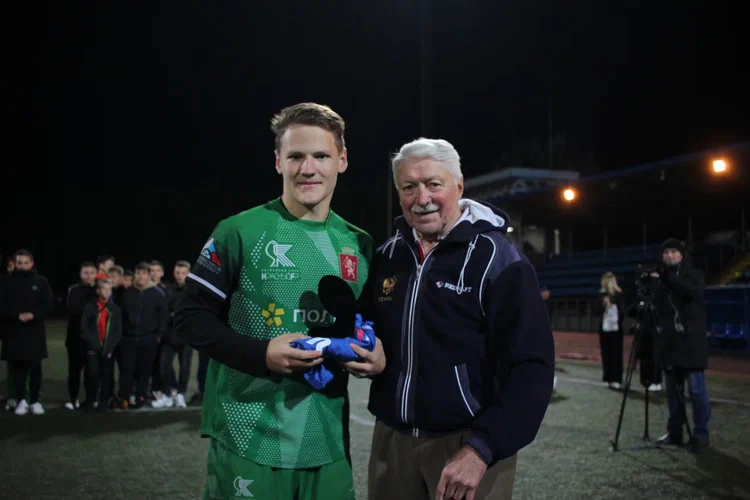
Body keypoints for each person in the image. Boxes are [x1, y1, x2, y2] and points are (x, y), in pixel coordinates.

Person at [174, 102, 376, 500]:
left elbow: (365, 326)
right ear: (278, 162)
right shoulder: (238, 231)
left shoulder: (359, 244)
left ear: (342, 160)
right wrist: (261, 353)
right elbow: (189, 318)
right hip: (248, 435)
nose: (308, 168)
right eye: (296, 156)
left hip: (327, 440)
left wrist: (374, 353)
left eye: (321, 156)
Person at [359, 138, 555, 500]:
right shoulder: (388, 256)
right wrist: (364, 350)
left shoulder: (500, 259)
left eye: (433, 184)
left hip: (466, 446)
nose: (422, 198)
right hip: (391, 441)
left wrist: (482, 449)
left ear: (459, 186)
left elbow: (532, 367)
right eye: (409, 187)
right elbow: (368, 327)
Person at [653, 238, 710, 453]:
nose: (669, 256)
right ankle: (675, 432)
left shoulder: (694, 274)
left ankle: (701, 435)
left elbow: (692, 292)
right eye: (666, 252)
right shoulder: (662, 280)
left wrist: (667, 278)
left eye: (673, 251)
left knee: (696, 391)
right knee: (673, 393)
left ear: (682, 254)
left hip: (692, 342)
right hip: (671, 343)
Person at [0, 250, 55, 416]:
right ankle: (21, 401)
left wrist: (34, 315)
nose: (22, 266)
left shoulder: (41, 281)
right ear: (15, 264)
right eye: (19, 263)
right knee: (18, 367)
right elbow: (2, 305)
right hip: (14, 330)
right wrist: (16, 316)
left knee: (35, 366)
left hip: (34, 331)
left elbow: (49, 304)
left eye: (25, 262)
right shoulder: (6, 282)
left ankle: (35, 401)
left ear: (31, 263)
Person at [119, 262, 168, 408]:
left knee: (144, 370)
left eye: (144, 273)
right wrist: (123, 334)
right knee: (127, 369)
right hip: (129, 339)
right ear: (135, 275)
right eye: (138, 273)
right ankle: (125, 397)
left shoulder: (157, 293)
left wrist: (158, 335)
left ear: (148, 275)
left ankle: (141, 396)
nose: (141, 276)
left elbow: (163, 316)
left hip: (149, 339)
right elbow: (121, 316)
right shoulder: (127, 293)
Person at [152, 260, 192, 409]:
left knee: (185, 367)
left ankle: (180, 394)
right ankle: (170, 393)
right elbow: (165, 311)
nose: (179, 275)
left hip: (187, 336)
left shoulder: (194, 291)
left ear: (188, 274)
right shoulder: (168, 289)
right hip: (170, 335)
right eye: (177, 273)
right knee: (164, 365)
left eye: (183, 273)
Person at [81, 279, 122, 412]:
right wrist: (94, 343)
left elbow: (118, 331)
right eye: (104, 289)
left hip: (107, 350)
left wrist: (109, 346)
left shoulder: (115, 309)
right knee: (91, 375)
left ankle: (103, 401)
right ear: (98, 291)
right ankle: (90, 400)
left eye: (109, 289)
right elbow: (84, 328)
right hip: (93, 349)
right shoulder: (90, 307)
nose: (107, 292)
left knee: (106, 376)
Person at [64, 261, 98, 410]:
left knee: (92, 371)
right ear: (80, 274)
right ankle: (73, 399)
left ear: (96, 274)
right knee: (74, 371)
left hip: (94, 339)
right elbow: (73, 310)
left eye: (91, 273)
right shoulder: (74, 290)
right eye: (85, 273)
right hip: (75, 338)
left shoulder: (101, 289)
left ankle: (91, 399)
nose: (88, 276)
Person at [149, 260, 170, 401]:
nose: (154, 273)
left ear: (162, 273)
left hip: (162, 334)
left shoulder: (167, 290)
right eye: (152, 270)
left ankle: (162, 390)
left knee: (161, 363)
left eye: (157, 270)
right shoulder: (144, 289)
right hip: (147, 333)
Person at [599, 272, 624, 390]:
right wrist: (603, 304)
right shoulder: (601, 294)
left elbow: (622, 311)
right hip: (604, 328)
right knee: (606, 353)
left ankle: (617, 378)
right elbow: (596, 311)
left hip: (615, 328)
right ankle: (607, 378)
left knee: (616, 354)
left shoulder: (618, 294)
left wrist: (611, 303)